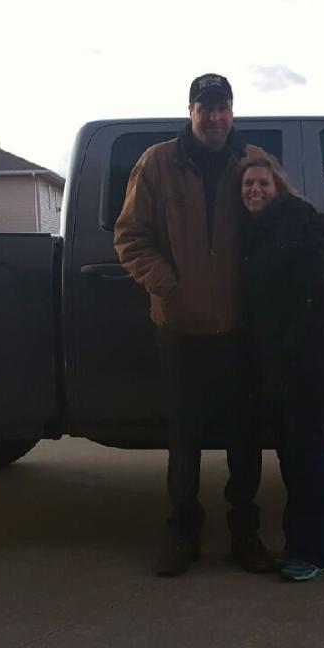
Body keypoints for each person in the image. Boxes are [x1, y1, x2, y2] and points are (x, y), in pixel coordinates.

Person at [114, 73, 277, 577]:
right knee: (183, 439)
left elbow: (277, 221)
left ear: (232, 111)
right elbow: (129, 236)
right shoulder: (159, 163)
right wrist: (168, 283)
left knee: (243, 439)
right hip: (180, 328)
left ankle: (245, 535)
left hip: (236, 328)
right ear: (190, 112)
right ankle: (182, 533)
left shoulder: (248, 162)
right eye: (204, 108)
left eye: (222, 107)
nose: (214, 117)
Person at [238, 155, 324, 582]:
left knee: (307, 457)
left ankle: (312, 551)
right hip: (277, 364)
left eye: (262, 182)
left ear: (279, 186)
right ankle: (300, 543)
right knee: (292, 455)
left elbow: (314, 297)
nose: (254, 190)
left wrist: (293, 352)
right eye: (247, 185)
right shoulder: (258, 231)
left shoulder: (297, 224)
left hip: (302, 363)